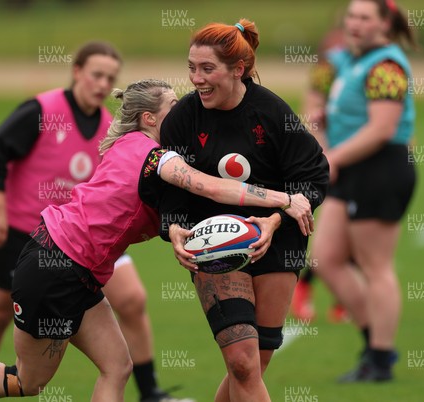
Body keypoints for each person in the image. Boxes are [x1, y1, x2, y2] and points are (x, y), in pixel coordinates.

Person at [0, 79, 308, 402]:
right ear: (148, 119)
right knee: (28, 379)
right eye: (175, 109)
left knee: (116, 366)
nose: (185, 115)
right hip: (57, 265)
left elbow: (155, 209)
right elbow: (211, 188)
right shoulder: (156, 155)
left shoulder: (134, 148)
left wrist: (179, 230)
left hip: (74, 269)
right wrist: (285, 199)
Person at [0, 42, 187, 401]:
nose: (102, 84)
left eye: (110, 78)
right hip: (28, 230)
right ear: (77, 72)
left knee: (130, 300)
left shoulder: (112, 129)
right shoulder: (42, 108)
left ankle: (151, 392)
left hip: (88, 234)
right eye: (96, 74)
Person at [160, 20, 329, 401]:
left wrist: (271, 220)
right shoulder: (183, 120)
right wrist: (173, 228)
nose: (197, 79)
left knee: (256, 361)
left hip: (278, 241)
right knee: (241, 362)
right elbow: (168, 189)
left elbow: (314, 176)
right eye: (191, 68)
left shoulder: (271, 112)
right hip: (212, 245)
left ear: (237, 69)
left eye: (207, 69)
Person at [309, 0, 418, 382]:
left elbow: (382, 129)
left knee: (376, 268)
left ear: (385, 23)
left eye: (364, 18)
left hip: (381, 169)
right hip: (350, 168)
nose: (354, 23)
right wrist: (323, 129)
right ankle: (375, 343)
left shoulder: (386, 66)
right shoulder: (346, 60)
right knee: (325, 259)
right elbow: (315, 102)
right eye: (351, 16)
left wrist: (332, 155)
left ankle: (381, 358)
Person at [291, 25, 349, 323]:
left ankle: (342, 296)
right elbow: (311, 111)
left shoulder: (372, 65)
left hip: (365, 160)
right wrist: (326, 155)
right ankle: (305, 285)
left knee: (355, 234)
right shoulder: (328, 69)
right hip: (338, 158)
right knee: (335, 232)